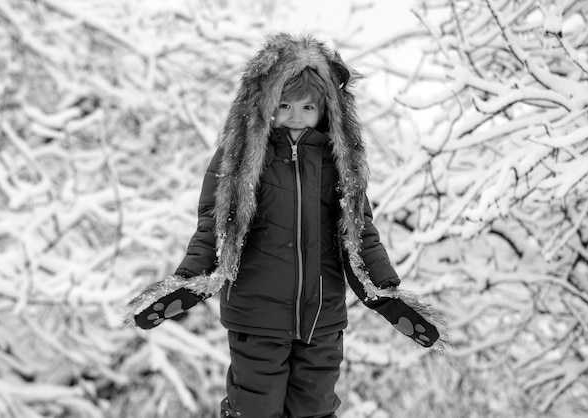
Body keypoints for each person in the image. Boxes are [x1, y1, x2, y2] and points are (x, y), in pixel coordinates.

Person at [127, 33, 446, 418]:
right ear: (263, 106)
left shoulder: (338, 163)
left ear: (327, 109)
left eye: (308, 106)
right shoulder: (242, 157)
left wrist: (384, 291)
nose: (296, 116)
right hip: (256, 314)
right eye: (284, 104)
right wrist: (189, 279)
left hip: (322, 317)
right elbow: (216, 224)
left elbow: (359, 232)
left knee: (315, 406)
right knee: (256, 406)